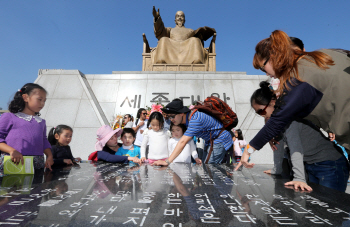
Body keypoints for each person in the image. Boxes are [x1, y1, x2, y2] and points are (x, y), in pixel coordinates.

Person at [239, 30, 350, 169]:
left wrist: (248, 150)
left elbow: (278, 120)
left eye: (263, 68)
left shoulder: (300, 79)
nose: (266, 73)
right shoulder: (324, 55)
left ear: (274, 57)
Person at [239, 81, 349, 192]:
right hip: (311, 165)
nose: (262, 115)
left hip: (330, 164)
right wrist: (276, 169)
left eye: (262, 111)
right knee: (317, 206)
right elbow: (278, 145)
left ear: (273, 102)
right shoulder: (277, 123)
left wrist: (299, 178)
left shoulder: (291, 120)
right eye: (258, 113)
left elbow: (296, 149)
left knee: (331, 207)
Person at [152, 99, 233, 166]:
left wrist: (167, 162)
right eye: (169, 117)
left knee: (210, 167)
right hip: (210, 141)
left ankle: (219, 185)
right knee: (206, 167)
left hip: (219, 140)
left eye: (172, 116)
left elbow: (183, 142)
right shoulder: (189, 117)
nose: (171, 119)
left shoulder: (194, 119)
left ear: (181, 113)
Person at [0, 83, 53, 176]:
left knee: (35, 188)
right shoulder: (9, 117)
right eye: (39, 99)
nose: (42, 103)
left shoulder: (41, 122)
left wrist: (49, 155)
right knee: (12, 188)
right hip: (14, 162)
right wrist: (12, 151)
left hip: (37, 163)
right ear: (25, 98)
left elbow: (44, 140)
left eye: (44, 100)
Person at [152, 6, 216, 65]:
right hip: (172, 48)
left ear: (184, 20)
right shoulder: (170, 30)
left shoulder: (190, 30)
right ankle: (162, 60)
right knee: (163, 39)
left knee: (195, 40)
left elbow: (198, 44)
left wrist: (201, 37)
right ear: (175, 20)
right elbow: (160, 32)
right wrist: (157, 18)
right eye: (178, 16)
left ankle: (197, 61)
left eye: (182, 16)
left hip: (187, 49)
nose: (180, 18)